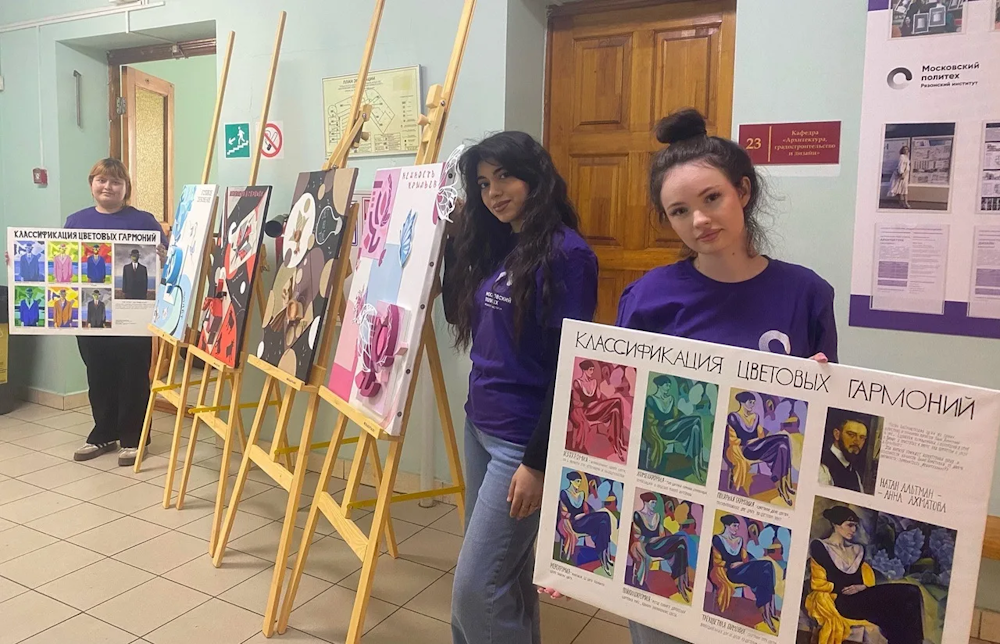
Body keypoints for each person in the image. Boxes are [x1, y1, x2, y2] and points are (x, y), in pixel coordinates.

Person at [605, 108, 836, 644]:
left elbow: (817, 421)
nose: (699, 220)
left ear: (743, 192)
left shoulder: (806, 293)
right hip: (669, 505)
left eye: (712, 198)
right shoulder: (648, 297)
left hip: (757, 511)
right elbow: (624, 412)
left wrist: (819, 387)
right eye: (679, 210)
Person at [443, 131, 598, 644]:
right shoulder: (500, 243)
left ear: (535, 176)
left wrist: (537, 461)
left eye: (504, 177)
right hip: (480, 425)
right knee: (504, 577)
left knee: (476, 589)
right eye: (483, 183)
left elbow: (570, 366)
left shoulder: (567, 254)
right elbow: (455, 315)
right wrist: (450, 242)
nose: (493, 192)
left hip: (520, 442)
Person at [66, 158, 165, 466]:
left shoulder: (144, 222)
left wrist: (165, 255)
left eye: (115, 182)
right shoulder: (75, 221)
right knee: (98, 374)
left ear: (126, 188)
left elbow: (167, 263)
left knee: (133, 376)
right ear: (92, 184)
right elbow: (64, 264)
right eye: (101, 180)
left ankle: (134, 438)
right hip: (91, 315)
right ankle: (104, 433)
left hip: (133, 317)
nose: (108, 186)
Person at [805, 506, 924, 644]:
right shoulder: (820, 546)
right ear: (836, 524)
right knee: (903, 598)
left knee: (912, 592)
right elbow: (829, 581)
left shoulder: (858, 549)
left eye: (855, 526)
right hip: (842, 601)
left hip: (862, 595)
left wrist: (862, 587)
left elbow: (858, 580)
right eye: (849, 525)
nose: (853, 530)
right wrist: (851, 588)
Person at [709, 515, 779, 633]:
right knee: (766, 567)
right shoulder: (718, 539)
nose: (736, 529)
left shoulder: (739, 540)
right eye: (734, 526)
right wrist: (731, 564)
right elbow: (718, 561)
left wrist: (740, 563)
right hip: (731, 573)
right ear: (727, 526)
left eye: (738, 526)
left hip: (742, 568)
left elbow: (744, 559)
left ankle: (768, 611)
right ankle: (768, 611)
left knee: (767, 568)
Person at [724, 391, 794, 505]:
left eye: (753, 402)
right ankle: (784, 484)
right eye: (750, 402)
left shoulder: (755, 417)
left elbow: (761, 437)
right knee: (784, 439)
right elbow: (733, 440)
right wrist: (749, 441)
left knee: (782, 446)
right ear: (742, 403)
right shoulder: (733, 417)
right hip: (745, 451)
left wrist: (755, 440)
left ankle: (784, 485)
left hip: (757, 447)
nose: (752, 405)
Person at [628, 492, 691, 602]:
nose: (654, 505)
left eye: (655, 503)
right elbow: (638, 536)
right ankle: (680, 581)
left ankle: (681, 583)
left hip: (658, 545)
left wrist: (657, 539)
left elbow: (661, 535)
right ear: (645, 502)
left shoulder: (657, 516)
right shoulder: (638, 515)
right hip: (647, 547)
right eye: (652, 503)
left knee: (681, 547)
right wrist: (652, 539)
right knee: (681, 539)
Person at [567, 359, 627, 460]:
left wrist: (596, 395)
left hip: (596, 409)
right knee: (617, 402)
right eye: (590, 370)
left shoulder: (594, 382)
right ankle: (617, 442)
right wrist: (590, 404)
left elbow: (598, 398)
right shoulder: (577, 383)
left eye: (593, 369)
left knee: (615, 411)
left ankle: (618, 443)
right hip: (586, 412)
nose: (592, 372)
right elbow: (577, 403)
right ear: (584, 370)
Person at [818, 417, 868, 492]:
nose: (857, 441)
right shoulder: (822, 468)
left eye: (862, 437)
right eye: (851, 435)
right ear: (837, 435)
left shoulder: (855, 474)